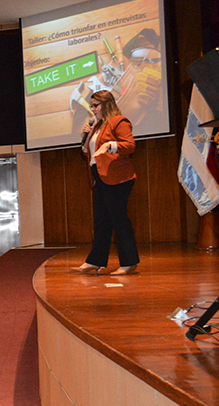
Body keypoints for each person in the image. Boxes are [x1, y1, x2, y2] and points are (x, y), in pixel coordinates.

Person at [74, 90, 140, 276]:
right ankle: (94, 261)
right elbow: (88, 152)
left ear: (106, 104)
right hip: (100, 176)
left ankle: (129, 262)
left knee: (119, 219)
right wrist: (86, 136)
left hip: (117, 177)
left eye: (96, 105)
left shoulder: (119, 121)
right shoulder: (97, 126)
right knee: (102, 221)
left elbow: (130, 145)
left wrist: (110, 145)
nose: (92, 109)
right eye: (92, 106)